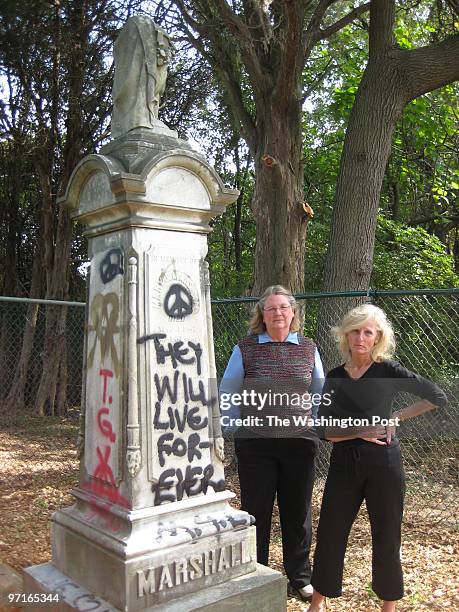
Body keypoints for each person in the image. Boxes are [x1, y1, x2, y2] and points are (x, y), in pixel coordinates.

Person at [308, 304, 447, 612]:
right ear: (346, 335)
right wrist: (358, 431)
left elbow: (437, 397)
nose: (360, 337)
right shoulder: (334, 377)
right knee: (331, 532)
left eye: (367, 332)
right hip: (344, 465)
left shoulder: (388, 371)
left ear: (377, 338)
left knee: (386, 533)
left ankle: (389, 605)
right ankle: (317, 603)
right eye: (355, 331)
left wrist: (395, 417)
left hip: (385, 465)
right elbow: (324, 429)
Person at [219, 285, 324, 602]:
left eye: (283, 307)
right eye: (271, 308)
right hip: (256, 446)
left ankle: (300, 577)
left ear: (293, 313)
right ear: (261, 315)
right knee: (256, 509)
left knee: (298, 511)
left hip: (298, 443)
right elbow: (228, 391)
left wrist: (315, 425)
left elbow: (319, 390)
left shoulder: (308, 348)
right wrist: (235, 426)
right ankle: (255, 571)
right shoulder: (246, 348)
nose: (278, 313)